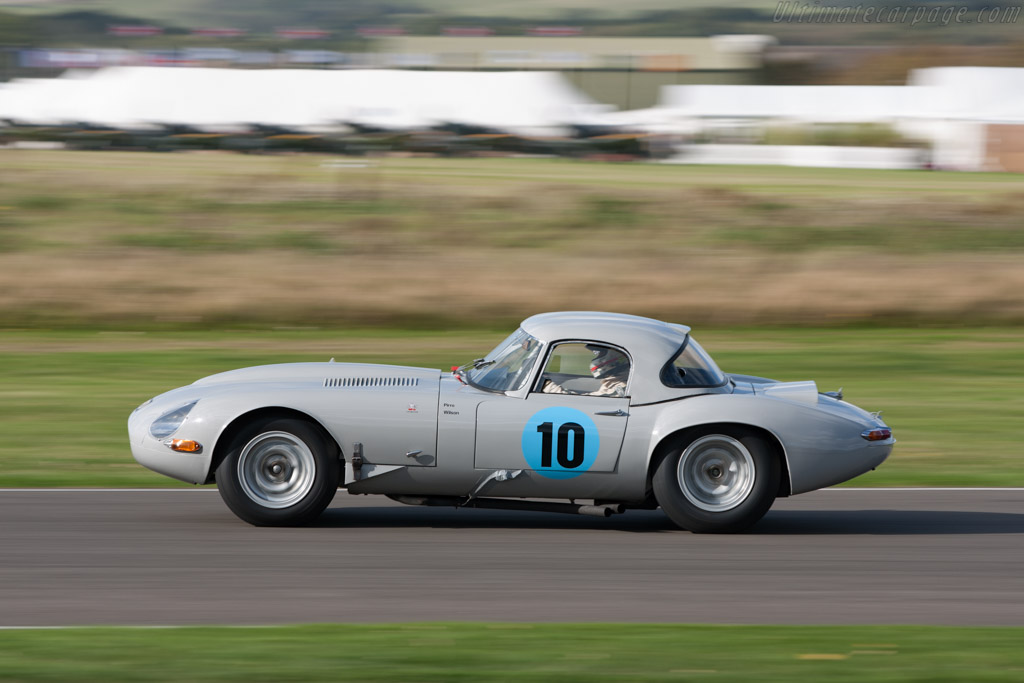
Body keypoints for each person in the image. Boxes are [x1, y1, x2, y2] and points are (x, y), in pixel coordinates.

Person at [542, 346, 629, 397]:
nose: (597, 358)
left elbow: (578, 403)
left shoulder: (619, 389)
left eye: (600, 354)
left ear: (614, 356)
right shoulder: (614, 383)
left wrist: (547, 386)